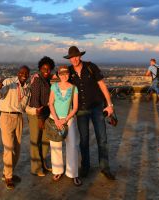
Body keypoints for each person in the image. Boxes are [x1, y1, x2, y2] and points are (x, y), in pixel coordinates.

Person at [64, 46, 115, 180]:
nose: (74, 59)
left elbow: (102, 86)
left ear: (80, 56)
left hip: (97, 107)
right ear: (69, 59)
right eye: (71, 57)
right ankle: (85, 167)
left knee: (102, 139)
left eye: (76, 56)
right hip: (80, 110)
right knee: (84, 140)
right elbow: (62, 84)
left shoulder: (90, 67)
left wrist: (109, 105)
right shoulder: (69, 72)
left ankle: (105, 168)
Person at [0, 66, 30, 189]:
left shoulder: (27, 88)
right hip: (6, 117)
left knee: (17, 148)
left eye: (26, 73)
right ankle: (8, 177)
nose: (23, 74)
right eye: (21, 72)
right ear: (18, 73)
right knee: (8, 148)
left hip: (19, 118)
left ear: (28, 75)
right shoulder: (9, 82)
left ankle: (8, 172)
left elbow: (24, 107)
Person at [48, 65, 82, 186]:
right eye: (62, 74)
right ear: (58, 75)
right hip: (55, 120)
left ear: (69, 74)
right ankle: (57, 170)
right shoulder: (54, 86)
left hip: (69, 120)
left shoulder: (74, 88)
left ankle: (73, 173)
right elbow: (50, 103)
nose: (64, 76)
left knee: (72, 146)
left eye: (66, 74)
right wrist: (57, 120)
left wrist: (65, 119)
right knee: (55, 145)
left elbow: (76, 107)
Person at [28, 56, 55, 177]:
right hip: (37, 115)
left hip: (47, 114)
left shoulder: (49, 79)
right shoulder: (37, 79)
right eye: (44, 68)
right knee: (35, 140)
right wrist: (40, 119)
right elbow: (35, 100)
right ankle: (36, 168)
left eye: (49, 69)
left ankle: (43, 162)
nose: (46, 71)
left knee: (45, 140)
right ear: (40, 68)